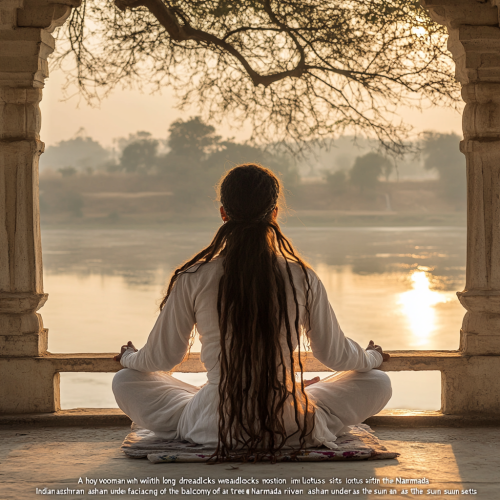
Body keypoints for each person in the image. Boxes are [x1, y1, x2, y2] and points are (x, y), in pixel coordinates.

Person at [112, 163, 391, 461]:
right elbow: (336, 356)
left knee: (125, 381)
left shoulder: (194, 277)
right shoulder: (302, 277)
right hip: (290, 426)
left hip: (213, 426)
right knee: (377, 382)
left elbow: (161, 358)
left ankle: (210, 394)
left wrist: (129, 357)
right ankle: (289, 392)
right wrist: (372, 357)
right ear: (274, 213)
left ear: (223, 214)